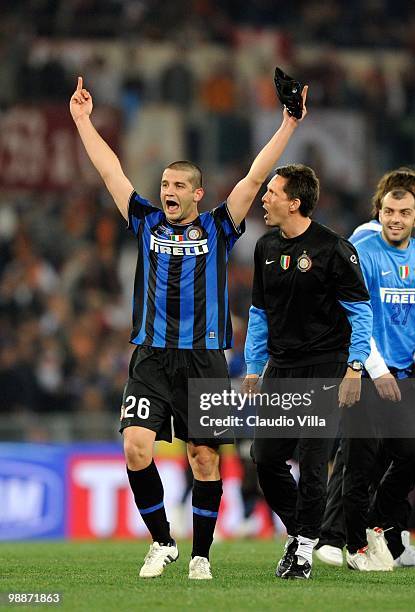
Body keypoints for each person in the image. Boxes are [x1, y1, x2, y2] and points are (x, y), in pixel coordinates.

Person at [69, 76, 308, 580]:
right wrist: (82, 121)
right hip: (150, 357)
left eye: (178, 186)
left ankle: (201, 554)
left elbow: (253, 177)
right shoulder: (146, 222)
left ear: (197, 193)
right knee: (136, 447)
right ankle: (161, 543)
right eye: (163, 186)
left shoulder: (220, 226)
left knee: (204, 459)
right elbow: (110, 170)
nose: (167, 192)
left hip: (205, 360)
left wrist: (288, 123)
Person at [242, 164, 372, 579]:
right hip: (281, 367)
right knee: (265, 457)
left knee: (313, 461)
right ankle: (303, 533)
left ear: (294, 203)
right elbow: (260, 313)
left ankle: (301, 551)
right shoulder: (264, 247)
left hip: (326, 367)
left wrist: (354, 369)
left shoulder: (334, 250)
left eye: (272, 192)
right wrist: (252, 365)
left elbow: (360, 314)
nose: (264, 198)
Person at [316, 167, 415, 569]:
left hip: (402, 374)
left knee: (408, 456)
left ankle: (381, 531)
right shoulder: (363, 248)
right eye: (393, 209)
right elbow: (353, 316)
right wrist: (376, 369)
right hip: (365, 371)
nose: (402, 215)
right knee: (358, 462)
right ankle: (347, 543)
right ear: (381, 209)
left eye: (410, 208)